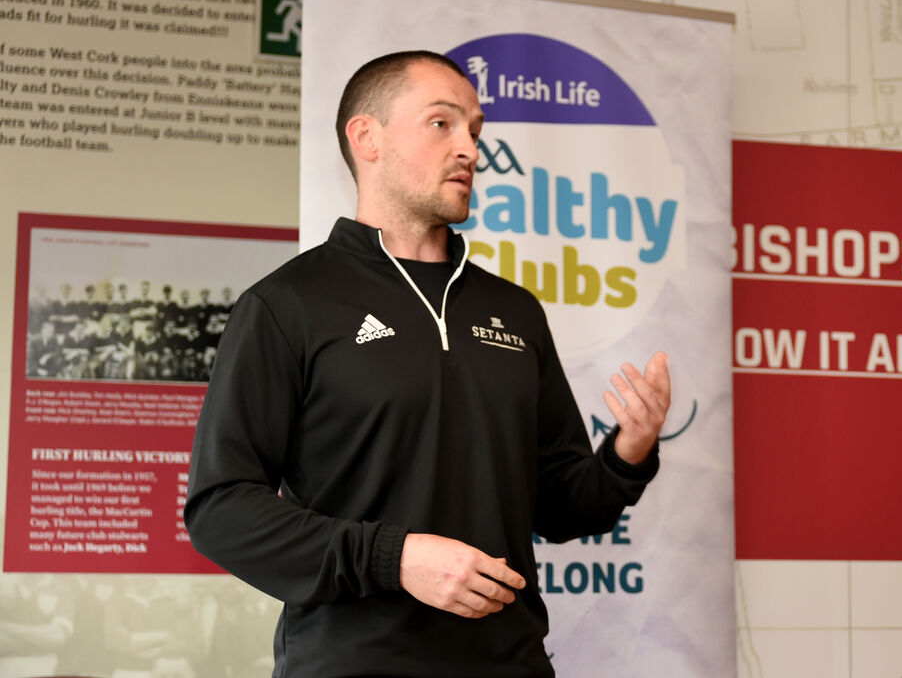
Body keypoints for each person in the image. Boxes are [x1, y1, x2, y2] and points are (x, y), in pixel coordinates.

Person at [185, 50, 671, 677]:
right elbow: (221, 510)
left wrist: (626, 455)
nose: (470, 148)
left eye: (476, 129)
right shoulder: (287, 305)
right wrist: (396, 558)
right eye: (443, 124)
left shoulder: (514, 310)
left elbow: (562, 507)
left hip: (510, 664)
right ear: (368, 138)